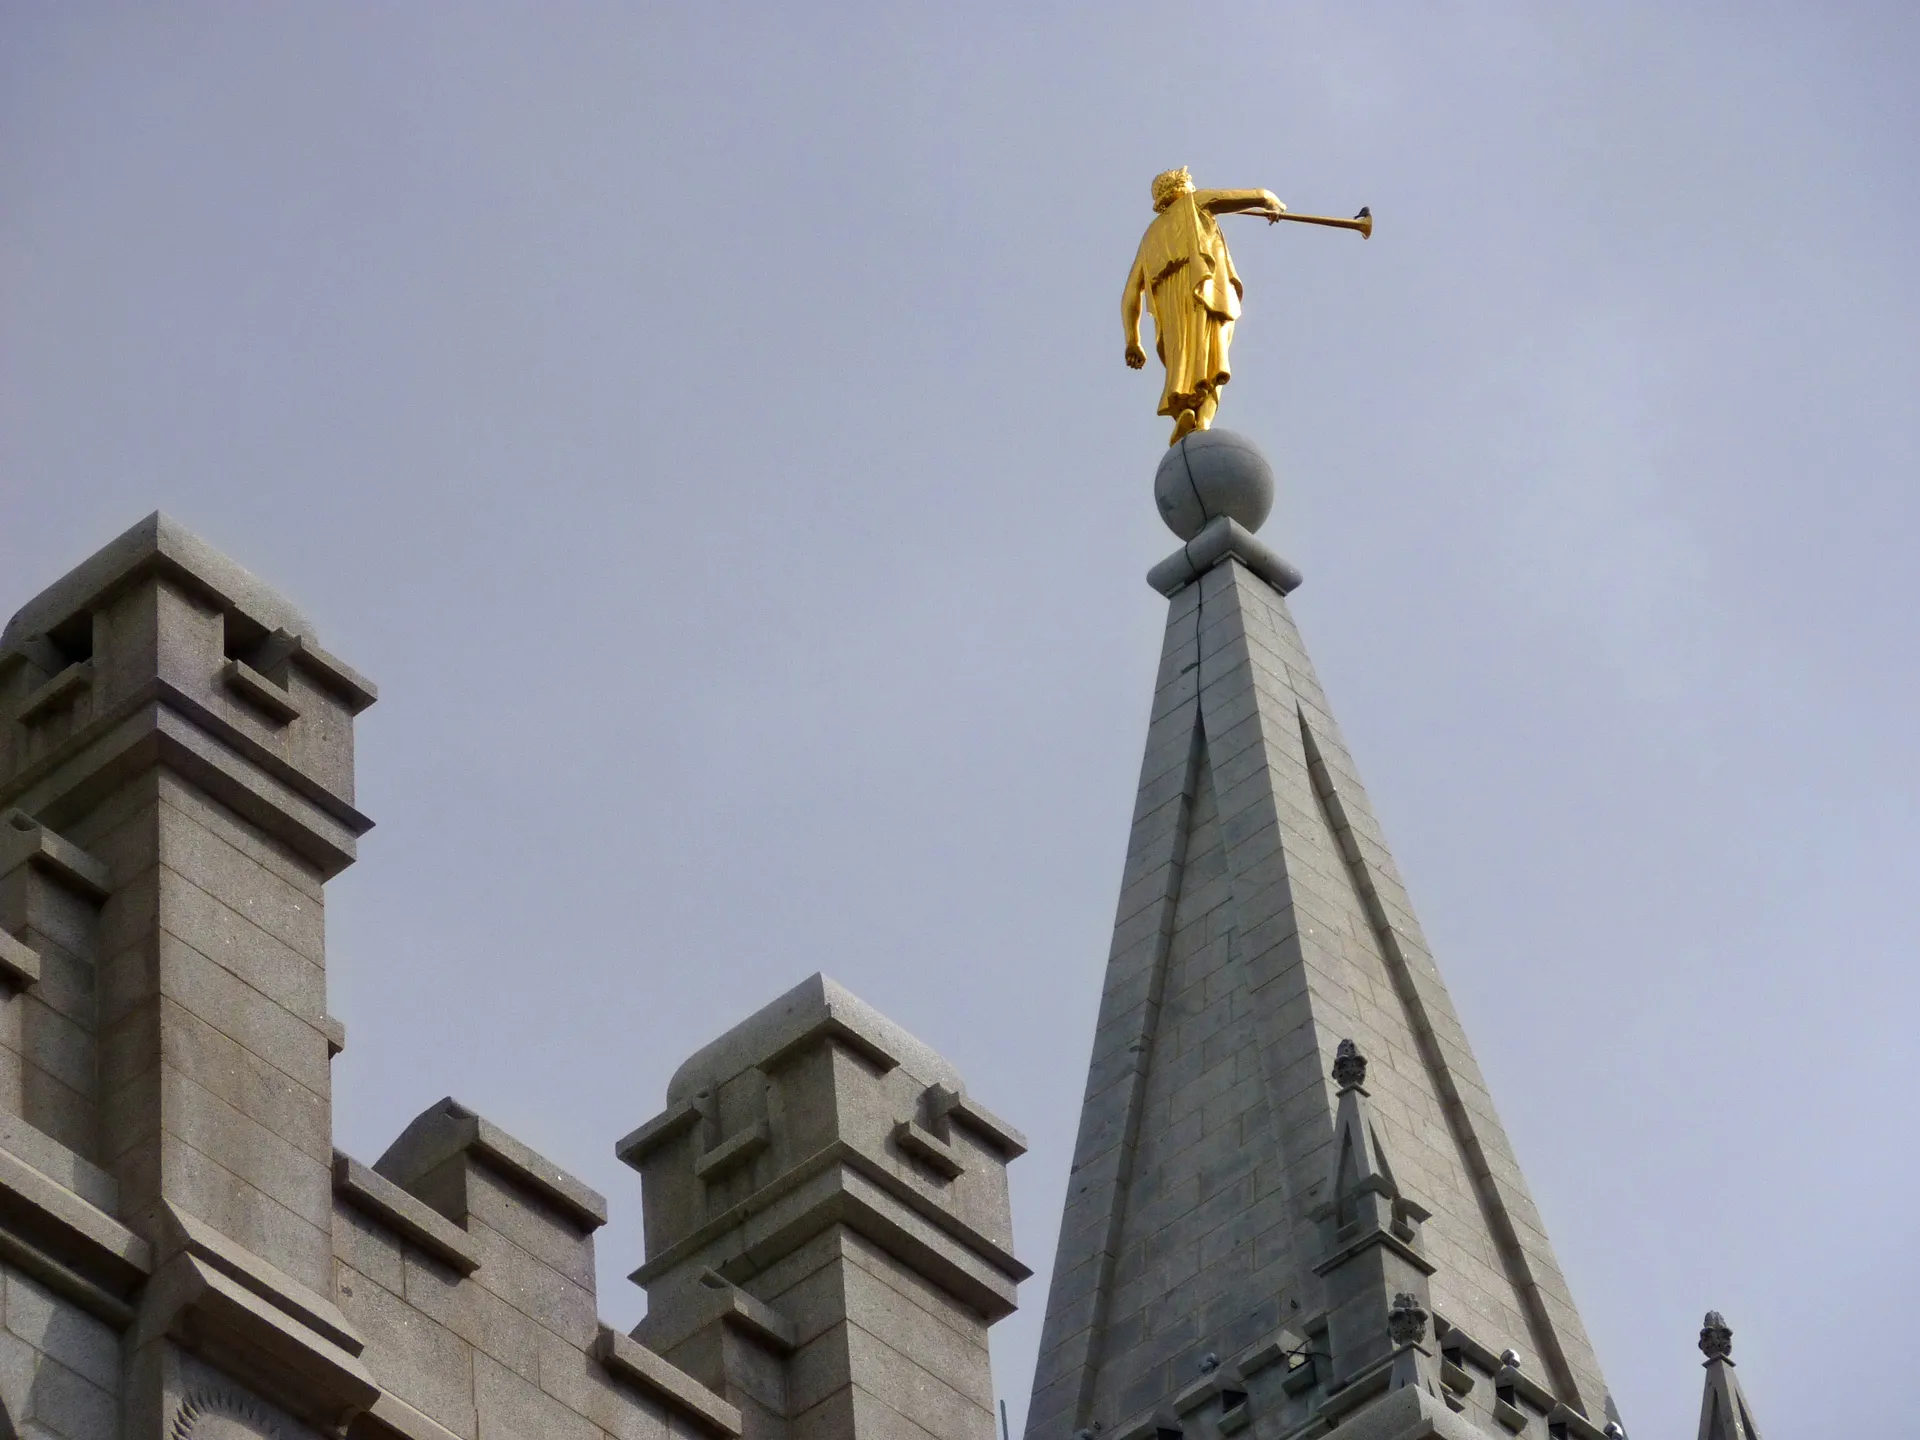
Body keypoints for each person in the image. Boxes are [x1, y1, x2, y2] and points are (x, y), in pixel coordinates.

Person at [1123, 168, 1286, 444]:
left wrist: (1133, 340)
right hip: (1205, 291)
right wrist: (1269, 199)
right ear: (1183, 187)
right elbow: (1244, 196)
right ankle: (1203, 421)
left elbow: (1130, 294)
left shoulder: (1149, 237)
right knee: (1214, 359)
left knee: (1182, 363)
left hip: (1171, 307)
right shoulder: (1195, 202)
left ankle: (1185, 411)